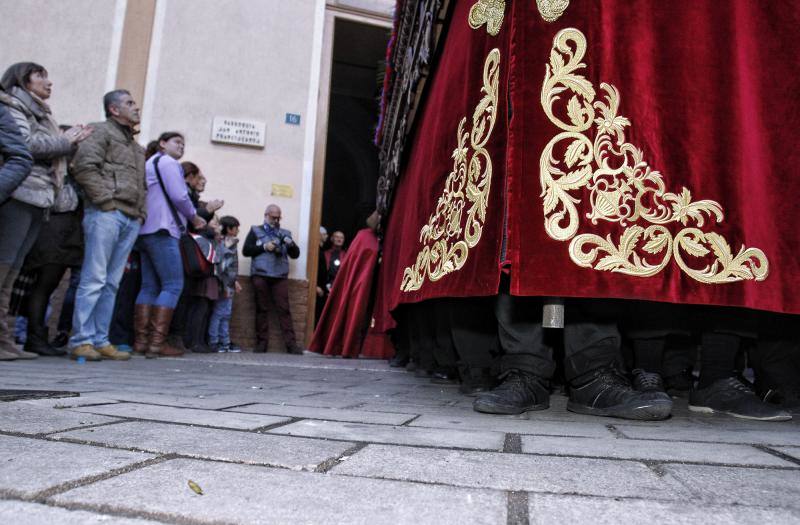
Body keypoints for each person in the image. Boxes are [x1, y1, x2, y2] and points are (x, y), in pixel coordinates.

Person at [0, 62, 90, 361]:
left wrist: (70, 144)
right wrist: (67, 140)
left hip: (40, 195)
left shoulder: (40, 111)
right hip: (21, 191)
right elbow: (24, 144)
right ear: (24, 80)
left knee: (12, 270)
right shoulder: (13, 105)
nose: (49, 83)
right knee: (4, 266)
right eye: (41, 76)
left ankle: (4, 340)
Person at [68, 89, 145, 362]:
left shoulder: (136, 147)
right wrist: (105, 202)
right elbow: (84, 167)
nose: (136, 107)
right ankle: (81, 340)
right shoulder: (99, 132)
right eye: (129, 103)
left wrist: (140, 214)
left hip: (129, 217)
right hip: (106, 214)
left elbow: (142, 185)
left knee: (112, 283)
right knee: (94, 278)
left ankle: (100, 340)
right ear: (114, 110)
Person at [133, 132, 205, 358]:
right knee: (173, 285)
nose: (181, 147)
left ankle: (141, 342)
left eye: (184, 144)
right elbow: (180, 196)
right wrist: (194, 217)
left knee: (149, 286)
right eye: (177, 142)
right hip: (164, 229)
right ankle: (157, 343)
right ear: (163, 144)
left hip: (145, 230)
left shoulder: (149, 163)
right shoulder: (168, 163)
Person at [243, 204, 301, 354]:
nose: (276, 220)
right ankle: (262, 344)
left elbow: (295, 254)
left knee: (284, 309)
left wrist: (291, 243)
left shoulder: (285, 233)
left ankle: (291, 345)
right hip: (260, 274)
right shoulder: (255, 231)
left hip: (279, 276)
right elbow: (246, 251)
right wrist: (264, 247)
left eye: (278, 217)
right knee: (262, 309)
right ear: (266, 215)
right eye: (273, 217)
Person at [208, 215, 242, 352]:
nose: (238, 231)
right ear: (229, 229)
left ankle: (225, 341)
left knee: (226, 313)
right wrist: (227, 284)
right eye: (236, 228)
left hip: (229, 283)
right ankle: (214, 341)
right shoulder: (222, 244)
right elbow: (222, 266)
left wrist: (235, 282)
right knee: (219, 313)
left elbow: (231, 267)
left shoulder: (230, 243)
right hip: (224, 283)